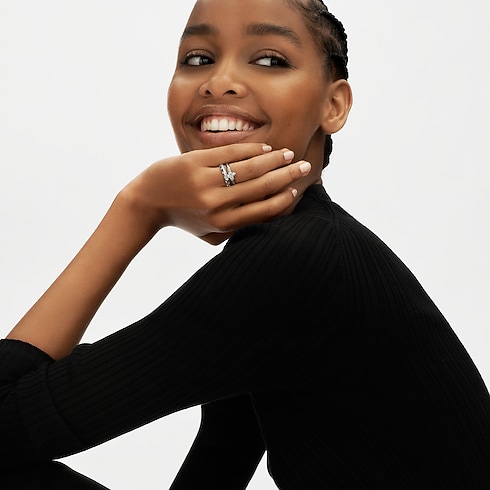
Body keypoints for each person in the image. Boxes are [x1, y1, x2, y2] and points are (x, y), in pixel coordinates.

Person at [1, 0, 489, 488]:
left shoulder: (298, 261)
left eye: (270, 59)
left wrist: (138, 209)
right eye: (198, 59)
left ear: (333, 105)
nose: (218, 82)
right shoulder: (303, 246)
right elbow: (223, 455)